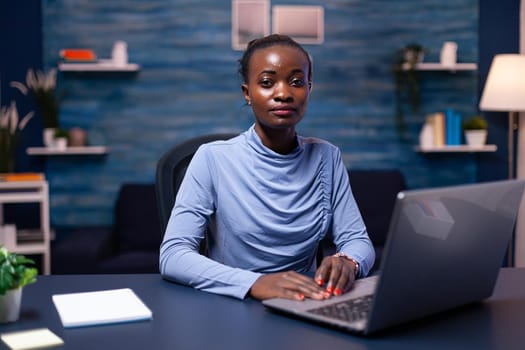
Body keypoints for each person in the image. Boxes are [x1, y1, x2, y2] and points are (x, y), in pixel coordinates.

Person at [160, 34, 375, 301]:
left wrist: (348, 261)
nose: (283, 93)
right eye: (266, 82)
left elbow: (358, 241)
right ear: (247, 93)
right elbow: (174, 256)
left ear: (309, 88)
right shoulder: (212, 159)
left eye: (297, 82)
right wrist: (255, 283)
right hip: (232, 302)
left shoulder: (327, 157)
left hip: (307, 303)